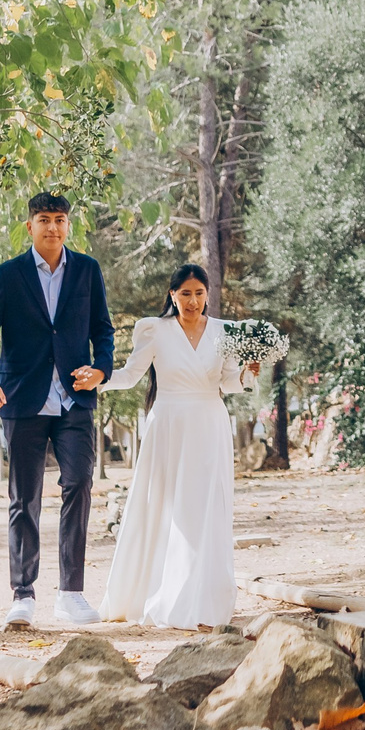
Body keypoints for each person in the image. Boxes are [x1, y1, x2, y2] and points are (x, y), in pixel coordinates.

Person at [0, 192, 113, 628]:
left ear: (69, 225)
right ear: (29, 226)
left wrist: (100, 371)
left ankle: (70, 594)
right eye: (44, 219)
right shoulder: (9, 275)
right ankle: (23, 594)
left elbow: (103, 332)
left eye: (60, 219)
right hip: (23, 399)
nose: (53, 227)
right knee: (24, 498)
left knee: (79, 485)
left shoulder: (87, 270)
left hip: (73, 399)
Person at [99, 264, 256, 628]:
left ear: (207, 295)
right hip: (168, 425)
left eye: (199, 293)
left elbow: (230, 383)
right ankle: (158, 592)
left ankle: (202, 595)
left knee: (205, 507)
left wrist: (249, 373)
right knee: (168, 508)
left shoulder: (224, 332)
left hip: (209, 424)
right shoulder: (156, 330)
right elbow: (129, 375)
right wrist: (99, 378)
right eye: (185, 293)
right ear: (172, 295)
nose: (193, 300)